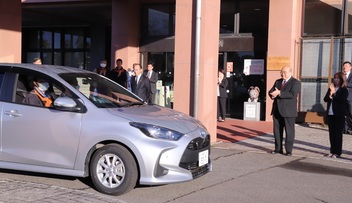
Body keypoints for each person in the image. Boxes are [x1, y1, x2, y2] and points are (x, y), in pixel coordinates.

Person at [268, 66, 301, 156]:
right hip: (277, 110)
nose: (283, 74)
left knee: (289, 131)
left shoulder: (295, 82)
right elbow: (271, 91)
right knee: (277, 131)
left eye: (285, 72)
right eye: (281, 72)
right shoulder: (278, 81)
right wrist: (272, 94)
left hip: (288, 111)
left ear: (290, 72)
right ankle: (278, 149)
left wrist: (280, 93)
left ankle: (288, 150)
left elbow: (292, 94)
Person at [323, 72, 348, 158]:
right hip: (330, 114)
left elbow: (341, 100)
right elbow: (325, 99)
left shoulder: (344, 90)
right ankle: (332, 151)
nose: (336, 80)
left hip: (339, 115)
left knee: (338, 134)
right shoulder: (331, 88)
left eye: (338, 78)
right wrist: (330, 94)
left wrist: (334, 93)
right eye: (335, 78)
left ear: (341, 80)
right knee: (331, 133)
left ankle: (337, 152)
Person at [343, 61, 352, 134]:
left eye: (346, 66)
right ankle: (345, 129)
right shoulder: (341, 75)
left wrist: (344, 83)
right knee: (344, 114)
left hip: (350, 97)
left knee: (351, 113)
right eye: (343, 66)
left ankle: (351, 128)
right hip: (342, 98)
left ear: (350, 67)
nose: (344, 67)